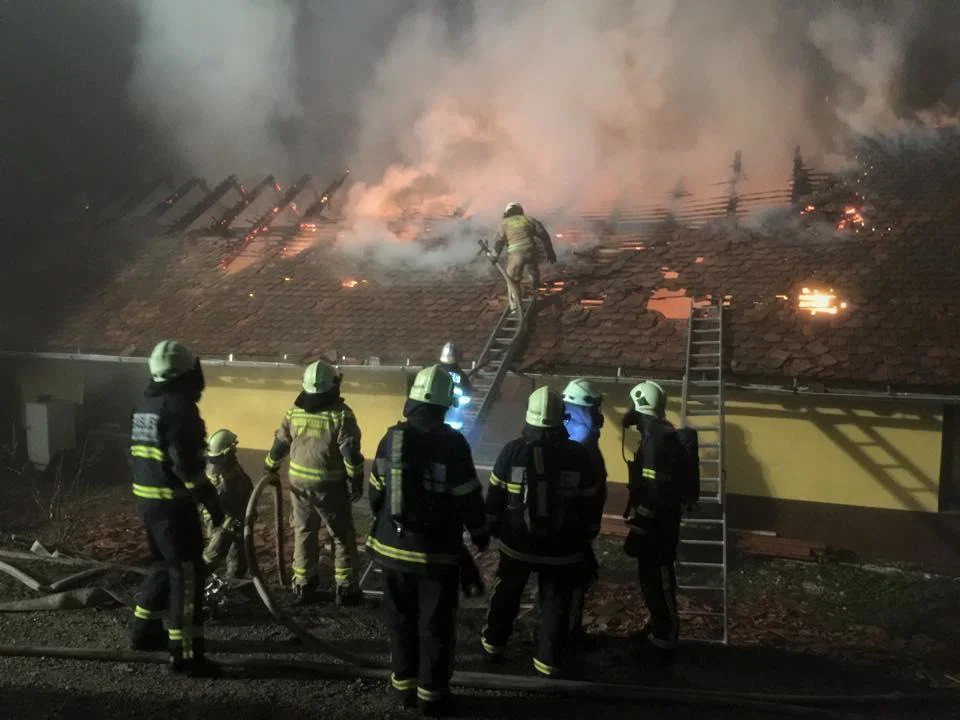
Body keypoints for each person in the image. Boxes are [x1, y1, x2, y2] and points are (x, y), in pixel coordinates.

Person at [367, 365, 489, 717]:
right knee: (434, 625)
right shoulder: (453, 444)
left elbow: (375, 493)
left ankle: (402, 688)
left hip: (391, 551)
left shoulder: (391, 437)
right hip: (435, 557)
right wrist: (479, 534)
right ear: (444, 405)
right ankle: (431, 697)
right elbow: (468, 498)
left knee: (400, 620)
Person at [481, 387, 603, 678]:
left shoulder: (512, 450)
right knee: (555, 603)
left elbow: (495, 496)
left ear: (529, 416)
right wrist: (584, 536)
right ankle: (548, 661)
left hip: (517, 544)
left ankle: (493, 647)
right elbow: (592, 500)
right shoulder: (578, 455)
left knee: (506, 594)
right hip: (562, 548)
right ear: (562, 417)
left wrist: (496, 528)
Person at [130, 340, 223, 676]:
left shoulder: (146, 403)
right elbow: (187, 464)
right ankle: (185, 655)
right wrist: (211, 501)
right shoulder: (179, 407)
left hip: (149, 502)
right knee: (186, 575)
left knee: (162, 566)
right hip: (173, 506)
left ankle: (144, 631)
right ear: (186, 372)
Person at [264, 360, 364, 606]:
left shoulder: (294, 411)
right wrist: (357, 478)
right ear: (334, 386)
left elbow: (280, 445)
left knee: (304, 531)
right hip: (329, 484)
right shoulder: (341, 414)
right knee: (341, 534)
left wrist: (270, 465)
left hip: (298, 484)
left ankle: (304, 585)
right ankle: (346, 588)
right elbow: (350, 452)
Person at [620, 380, 686, 668]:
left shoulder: (657, 441)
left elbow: (656, 490)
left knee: (659, 580)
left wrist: (641, 524)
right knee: (651, 580)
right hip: (655, 522)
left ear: (638, 407)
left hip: (658, 527)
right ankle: (657, 630)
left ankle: (666, 638)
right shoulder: (656, 434)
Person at [561, 378, 608, 642]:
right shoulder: (582, 440)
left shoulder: (565, 430)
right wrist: (590, 526)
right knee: (577, 578)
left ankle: (557, 630)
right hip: (575, 525)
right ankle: (568, 634)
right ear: (584, 406)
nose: (598, 414)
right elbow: (590, 488)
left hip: (564, 522)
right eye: (594, 407)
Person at [201, 428, 254, 579]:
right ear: (226, 451)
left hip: (234, 517)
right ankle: (196, 584)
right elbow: (222, 504)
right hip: (224, 519)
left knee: (238, 555)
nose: (236, 448)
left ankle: (233, 581)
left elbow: (243, 483)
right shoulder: (221, 475)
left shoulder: (227, 463)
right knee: (214, 553)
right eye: (233, 446)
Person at [492, 202, 557, 313]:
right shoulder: (529, 219)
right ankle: (534, 288)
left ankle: (515, 308)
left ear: (507, 212)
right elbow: (544, 236)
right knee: (533, 272)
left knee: (512, 280)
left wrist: (494, 256)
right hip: (531, 252)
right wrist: (550, 252)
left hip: (516, 255)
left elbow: (499, 242)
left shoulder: (504, 223)